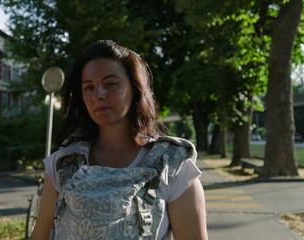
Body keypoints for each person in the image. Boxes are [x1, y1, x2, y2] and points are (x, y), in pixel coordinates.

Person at [29, 40, 208, 240]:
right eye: (89, 87)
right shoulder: (62, 164)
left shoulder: (172, 166)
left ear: (135, 88)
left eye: (110, 84)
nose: (99, 95)